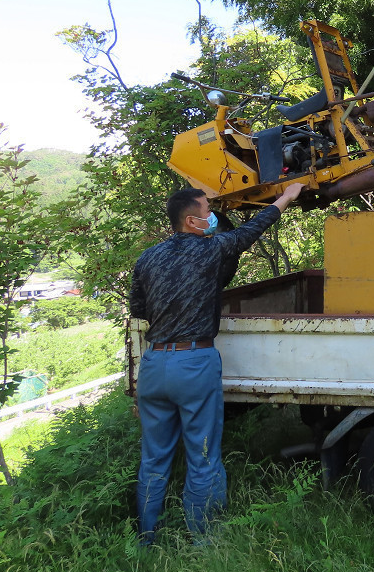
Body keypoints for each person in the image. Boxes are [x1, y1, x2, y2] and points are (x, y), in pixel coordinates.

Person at [130, 182, 305, 544]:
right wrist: (286, 197)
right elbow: (250, 231)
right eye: (208, 211)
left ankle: (146, 539)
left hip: (154, 364)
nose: (213, 217)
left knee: (153, 458)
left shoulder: (146, 259)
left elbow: (139, 311)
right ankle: (204, 541)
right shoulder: (210, 251)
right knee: (203, 454)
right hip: (194, 363)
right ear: (192, 222)